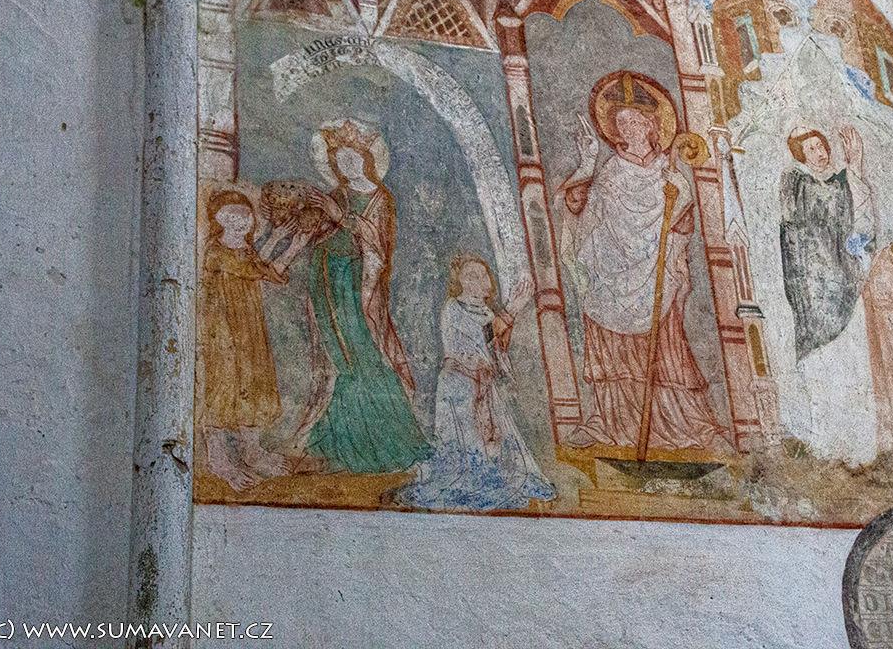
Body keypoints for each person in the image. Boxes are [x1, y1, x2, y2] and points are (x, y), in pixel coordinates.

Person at [555, 93, 729, 452]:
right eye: (622, 123)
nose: (629, 128)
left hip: (656, 275)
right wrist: (587, 163)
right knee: (611, 348)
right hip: (609, 274)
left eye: (636, 121)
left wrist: (677, 224)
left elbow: (683, 225)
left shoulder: (670, 173)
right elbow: (581, 213)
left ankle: (692, 424)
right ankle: (607, 421)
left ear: (652, 125)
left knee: (667, 349)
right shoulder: (610, 171)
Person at [294, 120, 432, 474]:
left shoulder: (380, 199)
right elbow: (318, 231)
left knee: (364, 352)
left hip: (358, 283)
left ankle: (390, 441)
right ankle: (337, 445)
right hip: (326, 275)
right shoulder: (336, 195)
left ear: (366, 159)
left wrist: (338, 216)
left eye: (353, 157)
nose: (347, 165)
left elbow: (377, 244)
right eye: (340, 160)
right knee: (338, 355)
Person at [392, 256, 556, 511]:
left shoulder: (487, 312)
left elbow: (496, 346)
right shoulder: (453, 308)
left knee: (497, 445)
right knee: (465, 450)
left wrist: (508, 322)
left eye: (482, 274)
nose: (478, 279)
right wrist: (511, 310)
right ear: (458, 281)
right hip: (459, 386)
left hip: (483, 384)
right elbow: (483, 333)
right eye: (470, 275)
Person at [779, 124, 878, 466]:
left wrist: (855, 167)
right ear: (800, 156)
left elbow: (862, 226)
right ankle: (823, 444)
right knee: (820, 364)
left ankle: (859, 449)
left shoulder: (842, 182)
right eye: (810, 149)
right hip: (812, 288)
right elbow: (792, 229)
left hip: (844, 283)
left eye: (820, 146)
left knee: (852, 364)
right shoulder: (795, 183)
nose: (819, 153)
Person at [200, 189, 309, 490]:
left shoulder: (243, 248)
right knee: (225, 388)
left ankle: (252, 452)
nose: (239, 220)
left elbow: (258, 265)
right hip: (224, 333)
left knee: (255, 382)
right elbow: (260, 270)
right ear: (217, 219)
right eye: (230, 215)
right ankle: (218, 459)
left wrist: (278, 238)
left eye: (245, 214)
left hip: (249, 328)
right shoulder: (215, 251)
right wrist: (291, 246)